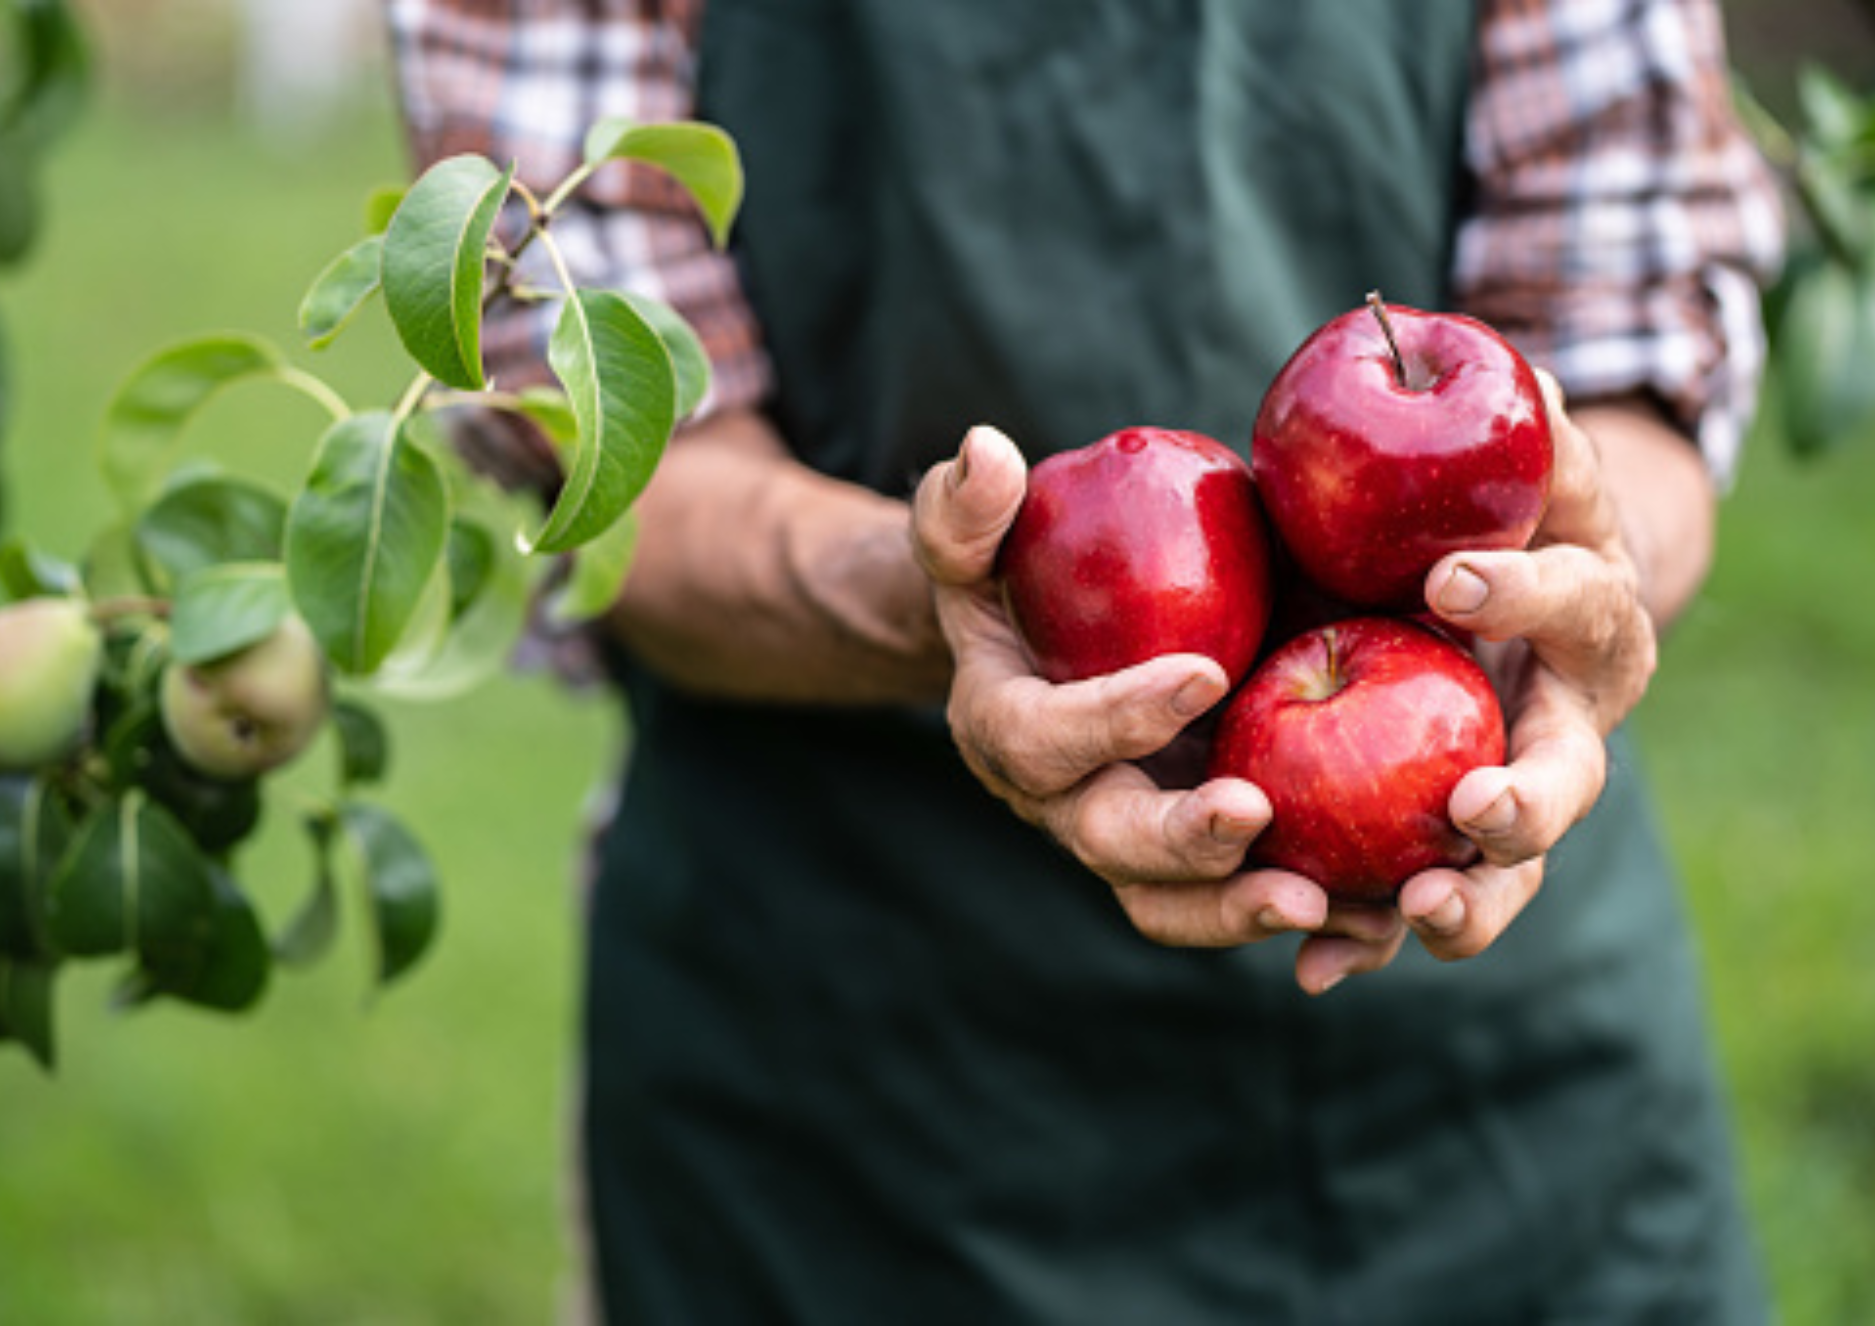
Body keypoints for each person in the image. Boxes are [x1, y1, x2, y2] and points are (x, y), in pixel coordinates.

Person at [389, 1, 1785, 1320]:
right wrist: (947, 599)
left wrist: (1580, 586)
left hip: (1480, 1012)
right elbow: (628, 472)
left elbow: (1627, 346)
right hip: (857, 1045)